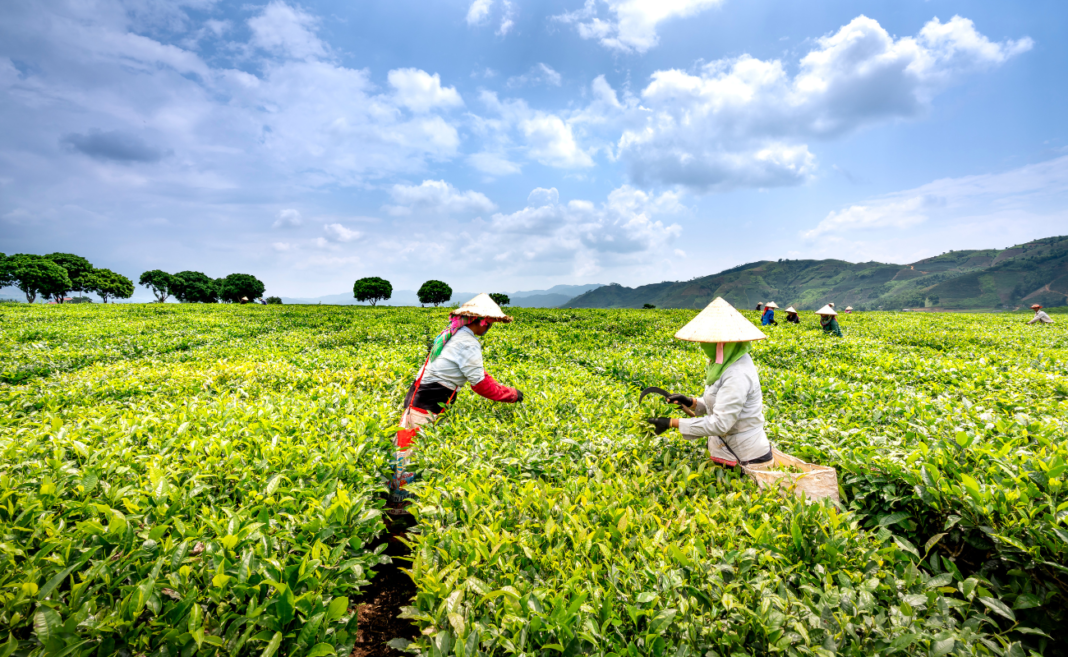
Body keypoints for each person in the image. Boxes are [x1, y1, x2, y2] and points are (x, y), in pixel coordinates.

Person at [389, 293, 523, 513]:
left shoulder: (453, 334)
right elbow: (480, 384)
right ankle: (398, 512)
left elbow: (476, 372)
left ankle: (402, 507)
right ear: (480, 322)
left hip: (419, 401)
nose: (489, 328)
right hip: (424, 405)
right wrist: (511, 395)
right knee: (407, 456)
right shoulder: (467, 342)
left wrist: (505, 389)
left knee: (406, 450)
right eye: (488, 324)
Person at [644, 297, 773, 468]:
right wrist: (692, 402)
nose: (703, 345)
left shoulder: (738, 373)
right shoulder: (722, 362)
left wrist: (671, 423)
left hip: (746, 458)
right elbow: (721, 401)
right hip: (725, 450)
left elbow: (721, 423)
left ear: (722, 343)